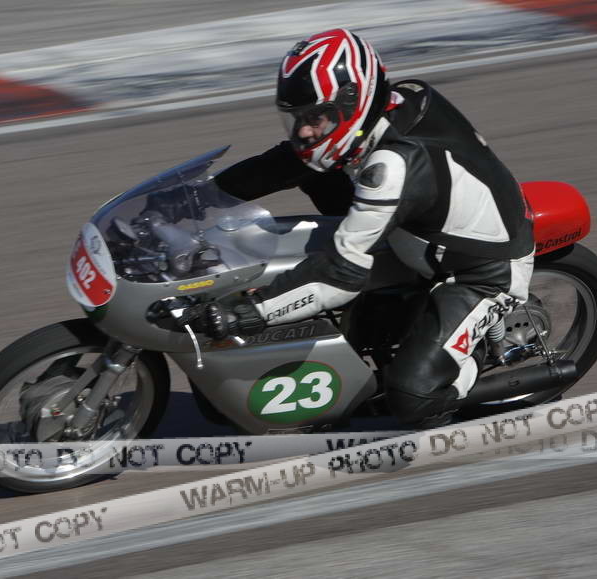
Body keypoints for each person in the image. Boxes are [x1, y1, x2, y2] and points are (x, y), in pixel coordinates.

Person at [183, 28, 534, 426]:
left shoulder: (393, 166)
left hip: (481, 270)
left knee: (411, 398)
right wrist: (197, 197)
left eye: (315, 116)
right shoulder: (377, 115)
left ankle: (469, 362)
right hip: (426, 229)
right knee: (309, 166)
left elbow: (339, 276)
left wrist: (248, 312)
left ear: (352, 101)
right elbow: (279, 165)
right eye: (297, 117)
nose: (303, 130)